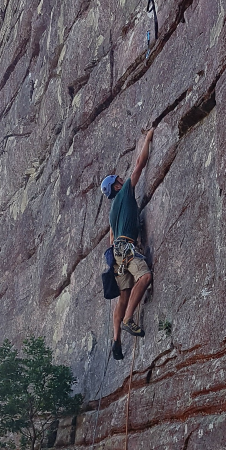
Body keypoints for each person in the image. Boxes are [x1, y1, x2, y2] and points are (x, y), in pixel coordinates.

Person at [101, 128, 154, 360]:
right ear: (116, 186)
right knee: (144, 278)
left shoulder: (112, 213)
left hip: (117, 255)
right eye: (118, 180)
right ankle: (127, 320)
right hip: (128, 248)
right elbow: (140, 164)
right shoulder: (124, 192)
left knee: (123, 296)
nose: (122, 179)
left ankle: (116, 340)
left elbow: (111, 239)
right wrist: (149, 138)